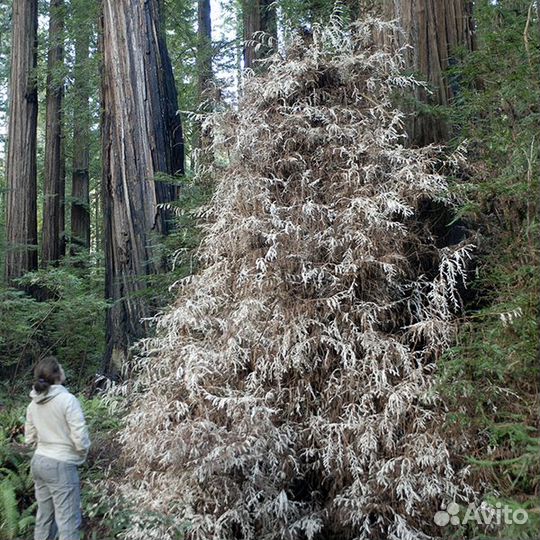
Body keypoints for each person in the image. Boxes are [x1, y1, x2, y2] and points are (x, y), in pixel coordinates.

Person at [24, 356, 91, 540]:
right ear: (56, 375)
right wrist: (81, 453)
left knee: (44, 519)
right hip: (61, 464)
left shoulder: (33, 403)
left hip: (39, 462)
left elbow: (29, 438)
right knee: (68, 524)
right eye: (60, 368)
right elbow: (80, 435)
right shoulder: (67, 400)